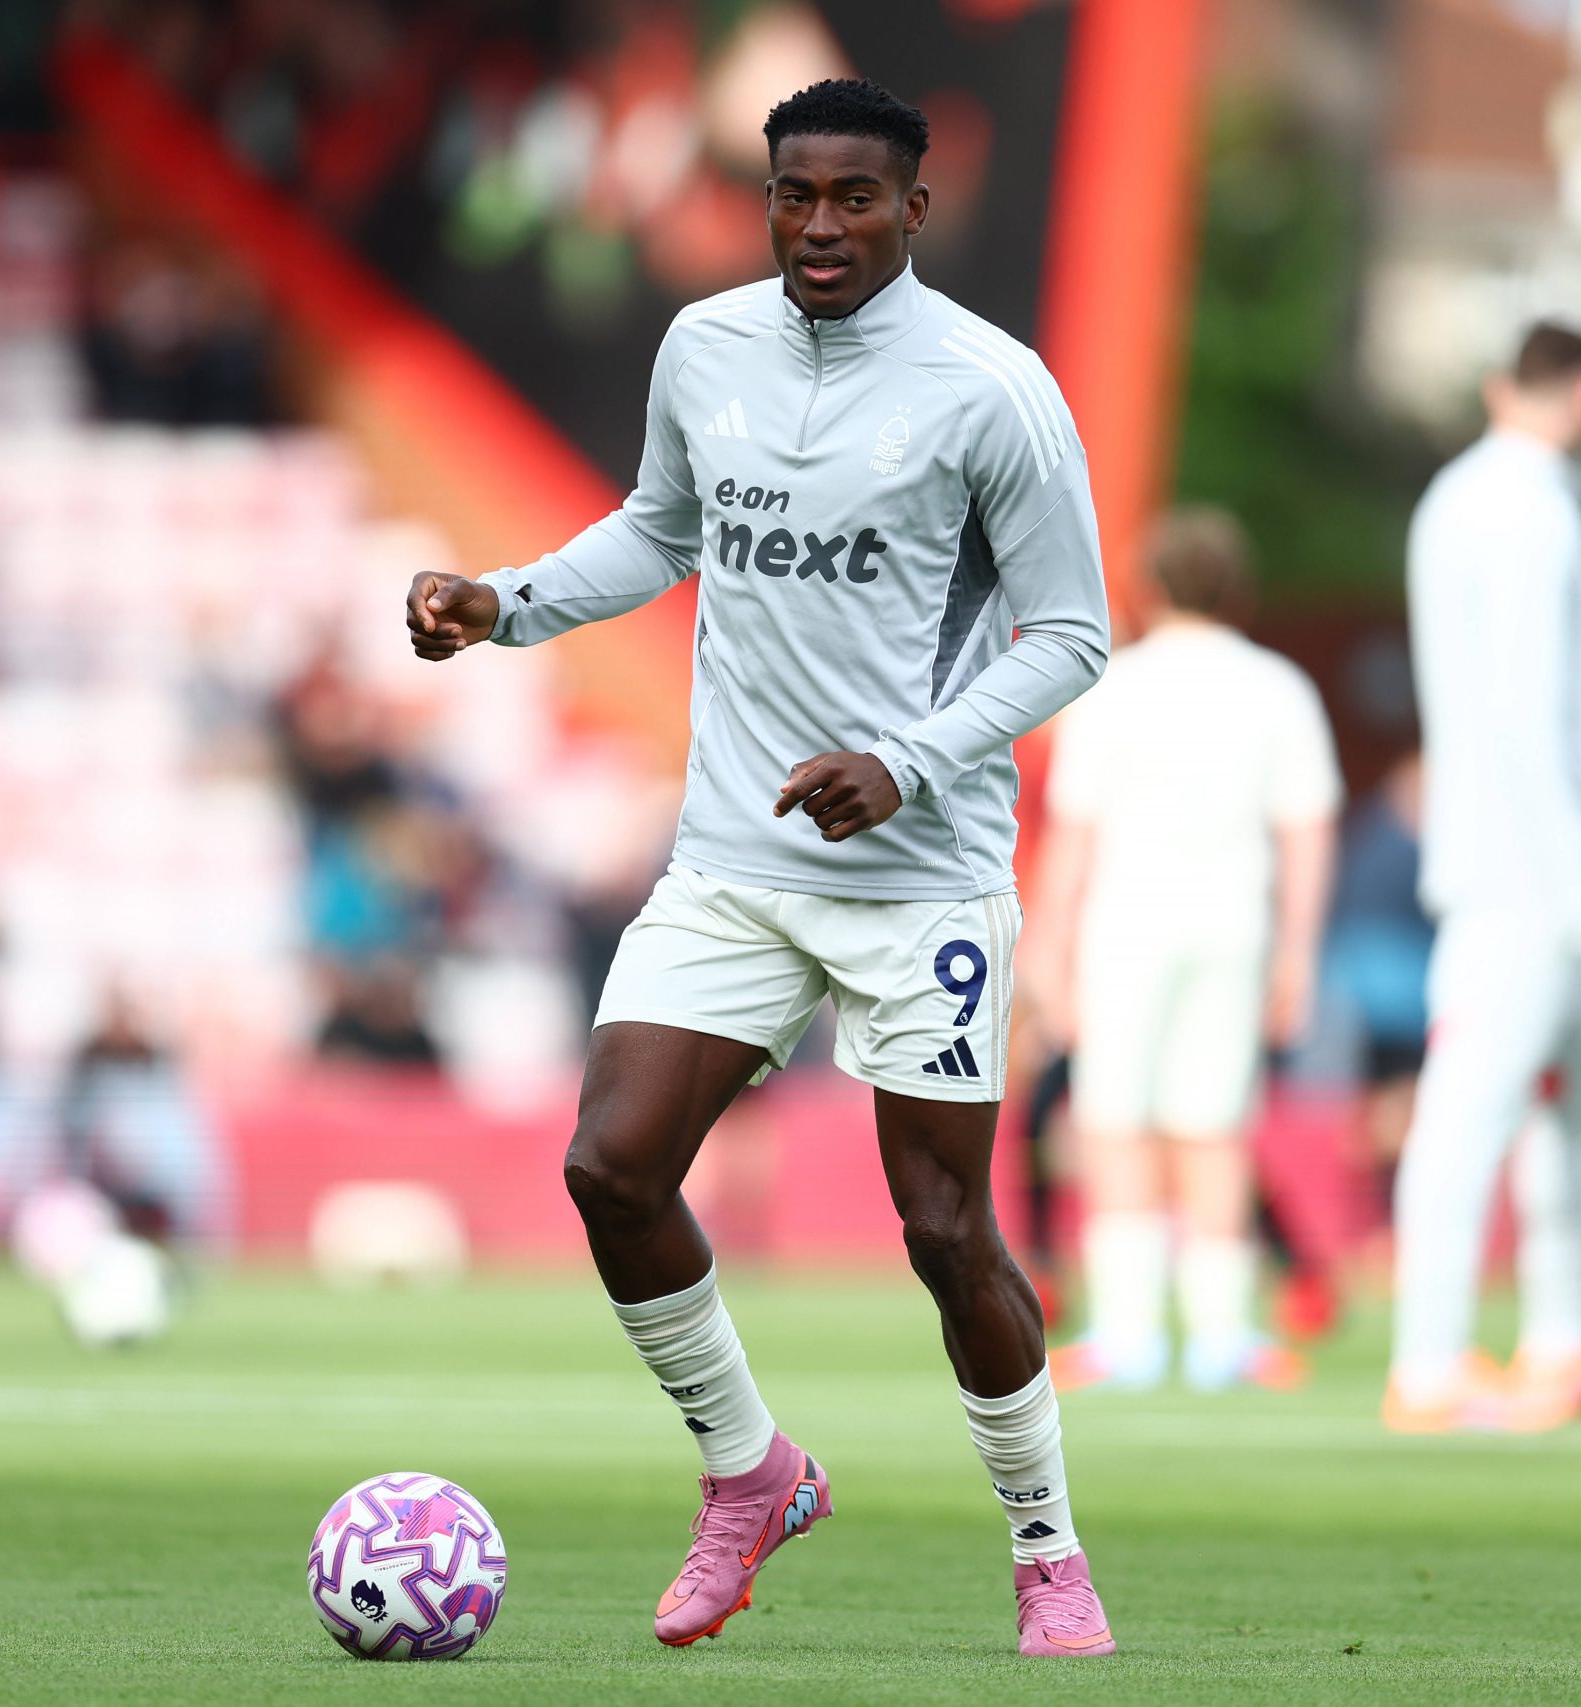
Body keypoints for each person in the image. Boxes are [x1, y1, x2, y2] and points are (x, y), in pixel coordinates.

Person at [403, 79, 1114, 1656]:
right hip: (733, 855)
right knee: (610, 1165)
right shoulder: (704, 347)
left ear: (915, 211)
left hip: (924, 873)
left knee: (944, 1227)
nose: (819, 226)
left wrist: (908, 759)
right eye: (795, 195)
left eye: (856, 199)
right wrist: (501, 602)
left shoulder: (995, 390)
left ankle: (1048, 1546)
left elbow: (1074, 633)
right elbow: (662, 530)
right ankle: (753, 1470)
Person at [1386, 322, 1581, 1434]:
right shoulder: (1523, 506)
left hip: (1527, 866)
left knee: (1572, 1113)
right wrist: (1570, 874)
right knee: (1474, 1111)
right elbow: (1525, 707)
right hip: (1528, 876)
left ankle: (1559, 1345)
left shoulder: (1478, 496)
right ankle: (1429, 1365)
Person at [1030, 506, 1340, 1393]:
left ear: (1148, 587)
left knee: (1116, 1124)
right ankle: (1222, 1335)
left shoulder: (1111, 686)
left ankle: (1127, 1335)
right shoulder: (1279, 688)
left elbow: (1074, 838)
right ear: (1237, 590)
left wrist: (1049, 947)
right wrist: (1300, 952)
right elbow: (1307, 833)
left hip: (1125, 928)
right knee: (1214, 1129)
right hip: (1232, 926)